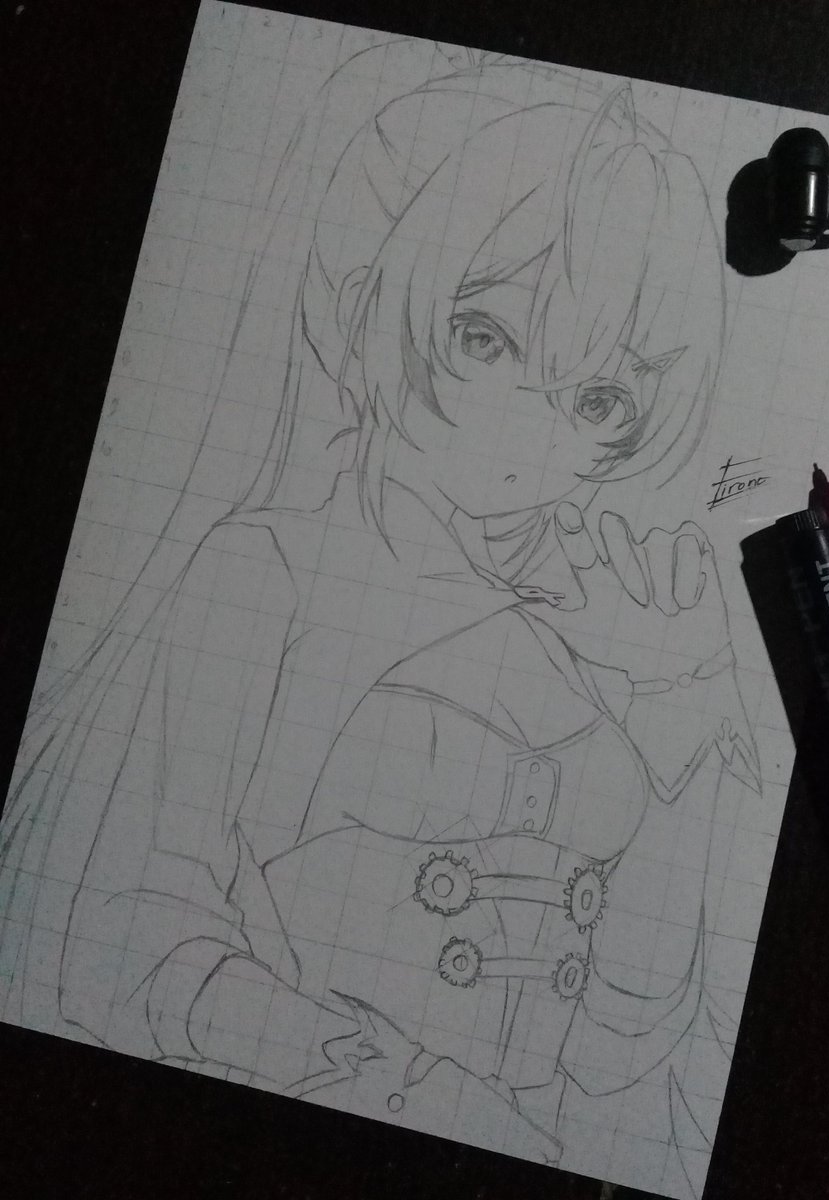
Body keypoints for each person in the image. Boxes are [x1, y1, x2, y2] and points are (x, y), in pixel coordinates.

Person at [0, 41, 756, 1185]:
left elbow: (632, 1048)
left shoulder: (603, 625)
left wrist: (683, 724)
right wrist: (388, 1080)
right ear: (372, 305)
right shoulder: (266, 573)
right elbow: (130, 932)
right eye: (485, 338)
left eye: (601, 399)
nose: (532, 430)